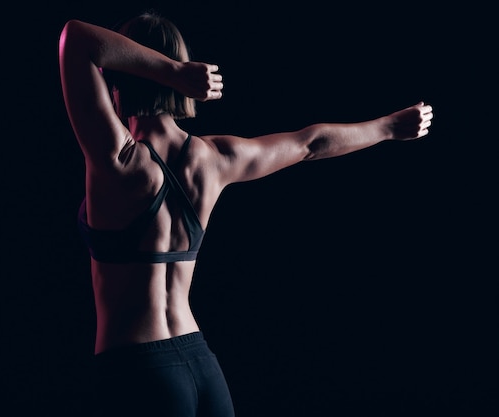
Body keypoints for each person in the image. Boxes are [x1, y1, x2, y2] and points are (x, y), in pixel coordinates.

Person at [58, 11, 433, 417]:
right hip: (202, 366)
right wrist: (389, 127)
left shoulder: (118, 160)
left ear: (120, 76)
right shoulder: (214, 159)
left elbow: (74, 39)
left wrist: (173, 71)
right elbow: (311, 143)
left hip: (137, 373)